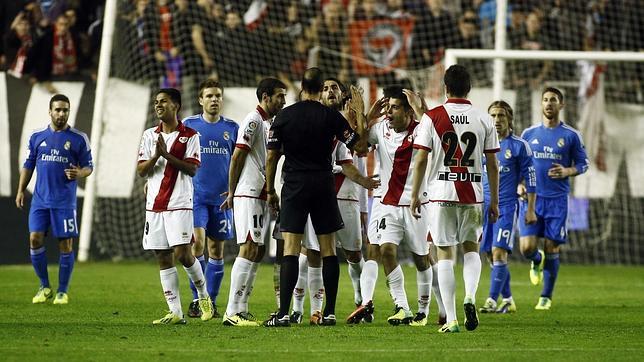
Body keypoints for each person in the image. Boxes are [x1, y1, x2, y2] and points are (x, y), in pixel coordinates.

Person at [263, 67, 368, 327]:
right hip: (323, 185)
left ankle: (284, 314)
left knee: (290, 249)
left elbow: (272, 157)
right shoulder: (331, 117)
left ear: (301, 86)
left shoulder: (284, 116)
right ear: (322, 88)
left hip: (295, 185)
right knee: (328, 250)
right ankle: (329, 313)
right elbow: (360, 146)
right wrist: (361, 115)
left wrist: (270, 190)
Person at [410, 64, 500, 333]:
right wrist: (494, 200)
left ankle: (451, 319)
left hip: (440, 196)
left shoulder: (433, 117)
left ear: (445, 88)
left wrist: (415, 194)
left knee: (445, 254)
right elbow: (492, 164)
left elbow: (421, 159)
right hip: (473, 194)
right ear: (469, 88)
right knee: (471, 248)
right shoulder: (483, 118)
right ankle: (470, 297)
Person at [290, 78, 378, 325]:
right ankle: (304, 309)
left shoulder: (346, 122)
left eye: (334, 88)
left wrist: (362, 116)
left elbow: (359, 151)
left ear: (342, 97)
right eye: (325, 88)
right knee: (310, 253)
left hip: (348, 196)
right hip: (315, 193)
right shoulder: (314, 120)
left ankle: (362, 302)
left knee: (353, 254)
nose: (330, 92)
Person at [345, 86, 434, 327]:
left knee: (422, 259)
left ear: (408, 111)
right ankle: (402, 307)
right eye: (388, 108)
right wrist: (367, 117)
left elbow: (435, 131)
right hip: (386, 203)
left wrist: (421, 109)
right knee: (384, 250)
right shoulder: (382, 128)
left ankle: (424, 311)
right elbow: (360, 148)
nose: (389, 113)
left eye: (395, 108)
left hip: (416, 204)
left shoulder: (422, 130)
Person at [137, 88, 213, 325]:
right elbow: (141, 170)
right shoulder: (150, 135)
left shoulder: (190, 135)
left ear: (176, 106)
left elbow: (192, 169)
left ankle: (204, 297)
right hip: (155, 205)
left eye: (164, 102)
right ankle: (175, 312)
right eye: (156, 102)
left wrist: (166, 156)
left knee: (182, 253)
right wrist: (157, 156)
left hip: (180, 203)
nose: (158, 106)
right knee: (162, 257)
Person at [220, 78, 287, 326]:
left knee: (257, 250)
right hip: (248, 191)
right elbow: (238, 156)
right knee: (248, 247)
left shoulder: (270, 122)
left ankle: (242, 306)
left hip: (259, 192)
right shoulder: (253, 119)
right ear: (266, 96)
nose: (284, 100)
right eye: (280, 95)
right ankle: (231, 311)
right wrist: (231, 191)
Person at [16, 94, 93, 305]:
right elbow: (29, 164)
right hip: (40, 200)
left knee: (65, 244)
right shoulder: (37, 136)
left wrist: (80, 173)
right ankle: (44, 286)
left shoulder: (78, 138)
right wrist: (21, 190)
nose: (61, 114)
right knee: (34, 239)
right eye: (57, 110)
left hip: (64, 202)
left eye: (65, 110)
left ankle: (62, 291)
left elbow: (89, 167)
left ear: (69, 112)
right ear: (50, 111)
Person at [519, 87, 589, 310]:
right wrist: (519, 184)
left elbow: (583, 164)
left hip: (557, 201)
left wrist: (568, 171)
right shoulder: (528, 134)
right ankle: (535, 260)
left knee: (552, 247)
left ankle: (545, 297)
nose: (549, 104)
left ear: (561, 105)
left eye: (553, 100)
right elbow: (519, 165)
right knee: (526, 248)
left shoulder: (571, 135)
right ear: (541, 104)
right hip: (531, 200)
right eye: (545, 100)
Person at [182, 79, 238, 318]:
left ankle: (211, 302)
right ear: (200, 100)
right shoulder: (189, 125)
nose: (214, 99)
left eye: (218, 96)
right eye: (210, 96)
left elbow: (240, 162)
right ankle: (198, 299)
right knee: (197, 244)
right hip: (196, 197)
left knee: (217, 250)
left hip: (222, 199)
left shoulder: (233, 128)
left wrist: (235, 189)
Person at [479, 101, 537, 314]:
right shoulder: (482, 145)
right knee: (489, 255)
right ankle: (509, 299)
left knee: (499, 252)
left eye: (501, 115)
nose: (496, 120)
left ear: (509, 118)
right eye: (492, 115)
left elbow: (531, 178)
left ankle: (492, 301)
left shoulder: (519, 146)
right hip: (483, 207)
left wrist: (530, 209)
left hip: (507, 207)